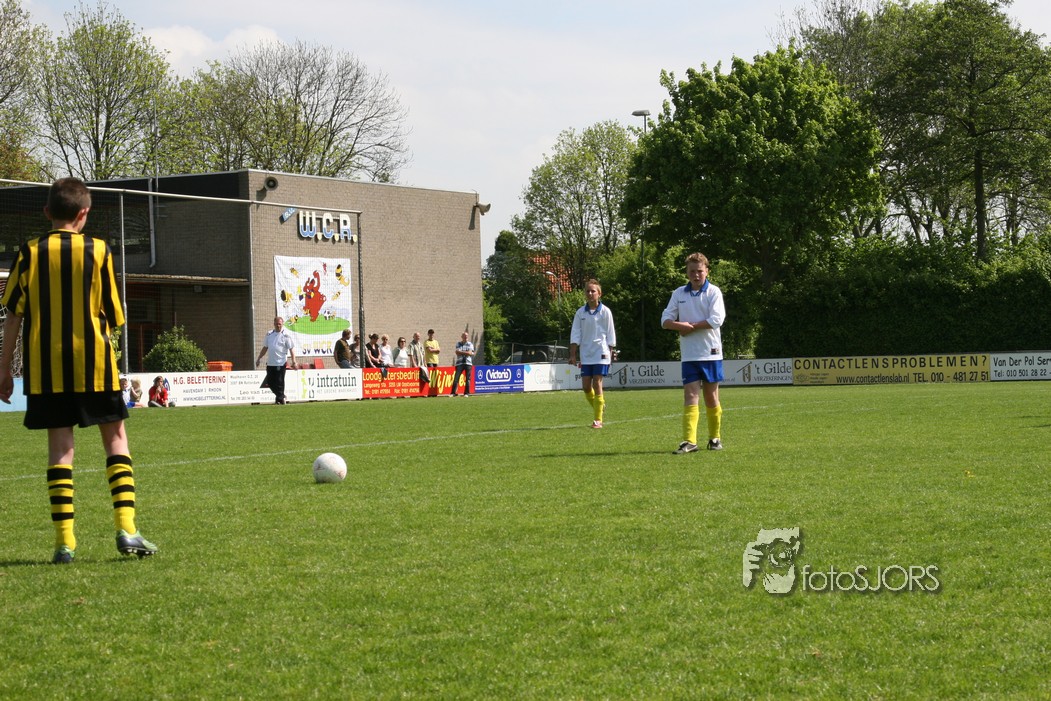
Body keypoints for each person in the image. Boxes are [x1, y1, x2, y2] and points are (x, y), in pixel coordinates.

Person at [0, 177, 157, 563]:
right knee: (115, 440)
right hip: (95, 366)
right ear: (84, 213)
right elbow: (115, 315)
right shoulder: (99, 250)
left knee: (60, 449)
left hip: (46, 369)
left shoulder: (30, 252)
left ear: (47, 212)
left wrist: (3, 369)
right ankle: (127, 529)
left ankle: (64, 543)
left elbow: (13, 315)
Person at [661, 252, 726, 453]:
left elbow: (717, 320)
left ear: (707, 271)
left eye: (699, 271)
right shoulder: (679, 293)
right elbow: (665, 320)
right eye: (692, 271)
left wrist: (690, 327)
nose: (696, 275)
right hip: (689, 355)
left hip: (710, 353)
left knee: (711, 397)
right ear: (687, 272)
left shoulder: (714, 292)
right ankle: (689, 441)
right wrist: (679, 325)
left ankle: (715, 438)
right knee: (690, 395)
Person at [569, 279, 617, 428]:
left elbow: (610, 333)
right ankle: (600, 406)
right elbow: (575, 334)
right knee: (585, 387)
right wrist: (573, 354)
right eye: (588, 291)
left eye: (593, 291)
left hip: (601, 353)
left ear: (599, 294)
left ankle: (598, 420)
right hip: (586, 354)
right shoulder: (580, 313)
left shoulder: (605, 311)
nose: (590, 293)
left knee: (597, 383)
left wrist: (610, 353)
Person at [256, 316, 297, 404]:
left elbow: (291, 349)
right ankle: (281, 397)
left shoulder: (286, 336)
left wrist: (294, 361)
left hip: (281, 363)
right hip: (270, 363)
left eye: (280, 324)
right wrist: (259, 358)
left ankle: (279, 399)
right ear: (274, 324)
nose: (278, 326)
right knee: (270, 382)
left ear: (282, 324)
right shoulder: (269, 334)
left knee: (280, 382)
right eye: (277, 324)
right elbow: (265, 347)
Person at [450, 331, 475, 396]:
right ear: (462, 337)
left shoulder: (470, 344)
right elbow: (457, 352)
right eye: (464, 335)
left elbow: (470, 353)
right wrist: (467, 352)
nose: (465, 337)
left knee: (468, 379)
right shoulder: (458, 343)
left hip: (468, 363)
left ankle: (466, 393)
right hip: (459, 363)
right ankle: (453, 393)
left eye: (466, 335)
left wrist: (461, 352)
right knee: (456, 378)